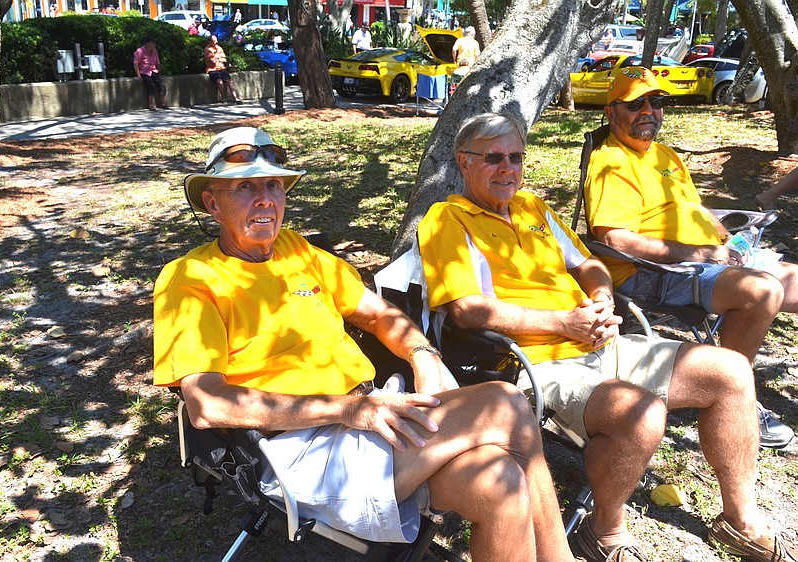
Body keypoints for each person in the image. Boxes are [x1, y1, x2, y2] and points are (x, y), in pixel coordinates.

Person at [153, 126, 585, 562]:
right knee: (506, 403)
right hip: (300, 445)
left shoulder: (297, 252)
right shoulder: (190, 280)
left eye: (274, 185)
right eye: (245, 187)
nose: (265, 199)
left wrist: (423, 355)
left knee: (500, 483)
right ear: (212, 203)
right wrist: (347, 409)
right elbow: (207, 403)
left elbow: (378, 314)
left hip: (371, 414)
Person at [417, 112, 798, 562]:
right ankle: (604, 531)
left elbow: (589, 263)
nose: (507, 168)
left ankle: (740, 520)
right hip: (535, 362)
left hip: (600, 339)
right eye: (493, 158)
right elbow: (467, 310)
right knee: (641, 415)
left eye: (515, 157)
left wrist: (601, 298)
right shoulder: (447, 219)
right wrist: (563, 323)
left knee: (731, 371)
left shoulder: (532, 208)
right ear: (464, 162)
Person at [583, 67, 796, 448]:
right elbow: (615, 238)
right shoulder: (611, 163)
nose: (648, 110)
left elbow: (693, 209)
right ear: (611, 112)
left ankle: (729, 385)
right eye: (635, 103)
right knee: (760, 292)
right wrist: (703, 253)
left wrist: (732, 238)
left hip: (711, 260)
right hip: (652, 272)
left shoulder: (665, 155)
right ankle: (733, 396)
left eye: (656, 101)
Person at [133, 36, 169, 111]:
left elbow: (157, 62)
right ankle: (151, 104)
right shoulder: (140, 51)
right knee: (150, 85)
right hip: (144, 72)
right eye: (153, 43)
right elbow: (135, 63)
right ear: (148, 43)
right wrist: (138, 75)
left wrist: (159, 72)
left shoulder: (154, 51)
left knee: (162, 84)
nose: (154, 45)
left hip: (154, 71)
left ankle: (162, 103)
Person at [204, 34, 240, 104]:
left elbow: (224, 59)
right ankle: (223, 98)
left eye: (216, 40)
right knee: (220, 82)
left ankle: (235, 98)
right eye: (214, 41)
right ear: (210, 42)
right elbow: (213, 61)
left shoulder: (219, 48)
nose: (216, 42)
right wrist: (218, 58)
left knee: (230, 82)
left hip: (222, 68)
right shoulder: (207, 50)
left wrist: (217, 58)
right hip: (213, 69)